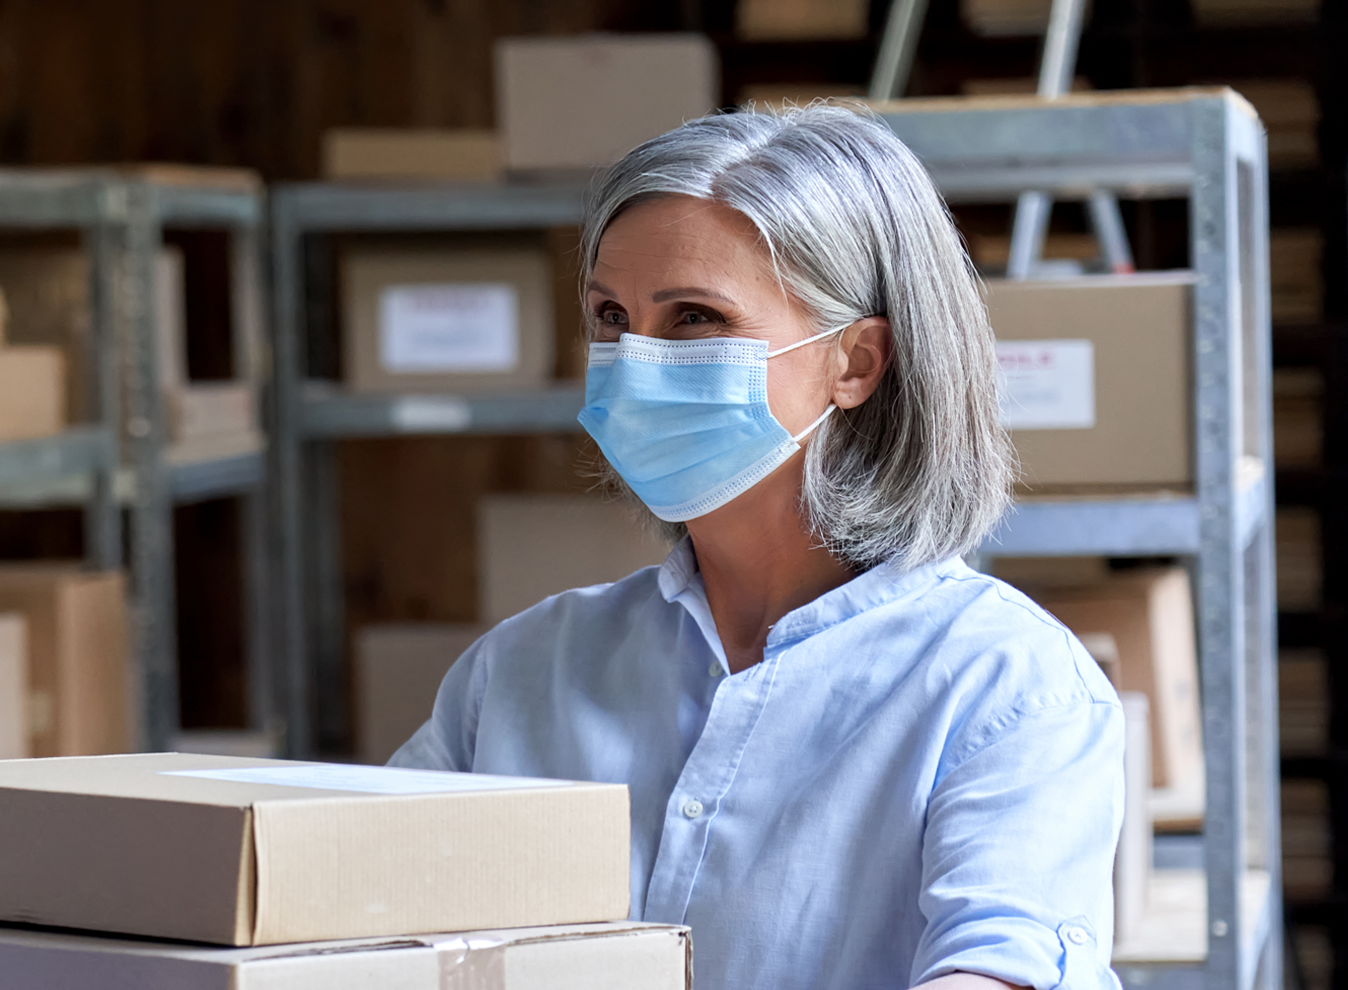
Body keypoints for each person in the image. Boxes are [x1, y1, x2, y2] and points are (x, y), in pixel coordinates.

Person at [390, 104, 1123, 990]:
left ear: (856, 362)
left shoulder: (1007, 691)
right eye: (611, 317)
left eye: (693, 318)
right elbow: (357, 933)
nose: (635, 361)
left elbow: (999, 967)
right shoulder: (518, 674)